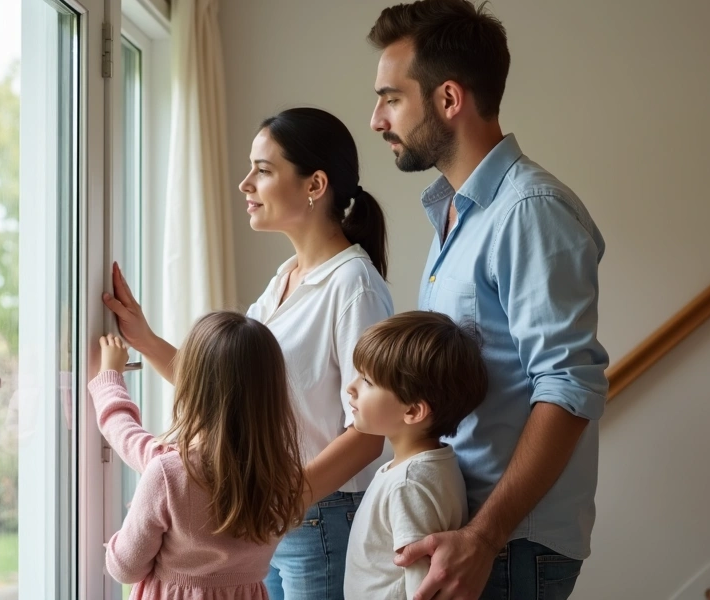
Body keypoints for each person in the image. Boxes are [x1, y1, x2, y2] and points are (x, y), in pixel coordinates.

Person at [366, 0, 611, 598]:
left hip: (504, 545)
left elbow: (570, 386)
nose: (377, 119)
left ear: (449, 99)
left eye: (392, 98)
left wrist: (484, 535)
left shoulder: (529, 213)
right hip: (468, 531)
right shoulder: (454, 212)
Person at [103, 107, 395, 599]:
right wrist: (144, 338)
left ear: (314, 184)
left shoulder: (354, 286)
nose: (245, 184)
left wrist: (286, 499)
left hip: (314, 516)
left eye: (262, 170)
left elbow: (369, 432)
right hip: (268, 514)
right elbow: (226, 385)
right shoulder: (286, 277)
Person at [91, 314, 305, 599]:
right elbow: (136, 443)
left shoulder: (168, 473)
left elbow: (125, 569)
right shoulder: (285, 476)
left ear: (191, 388)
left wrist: (109, 380)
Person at [342, 311, 488, 598]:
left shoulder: (410, 483)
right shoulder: (417, 469)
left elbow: (422, 586)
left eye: (367, 381)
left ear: (412, 411)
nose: (351, 387)